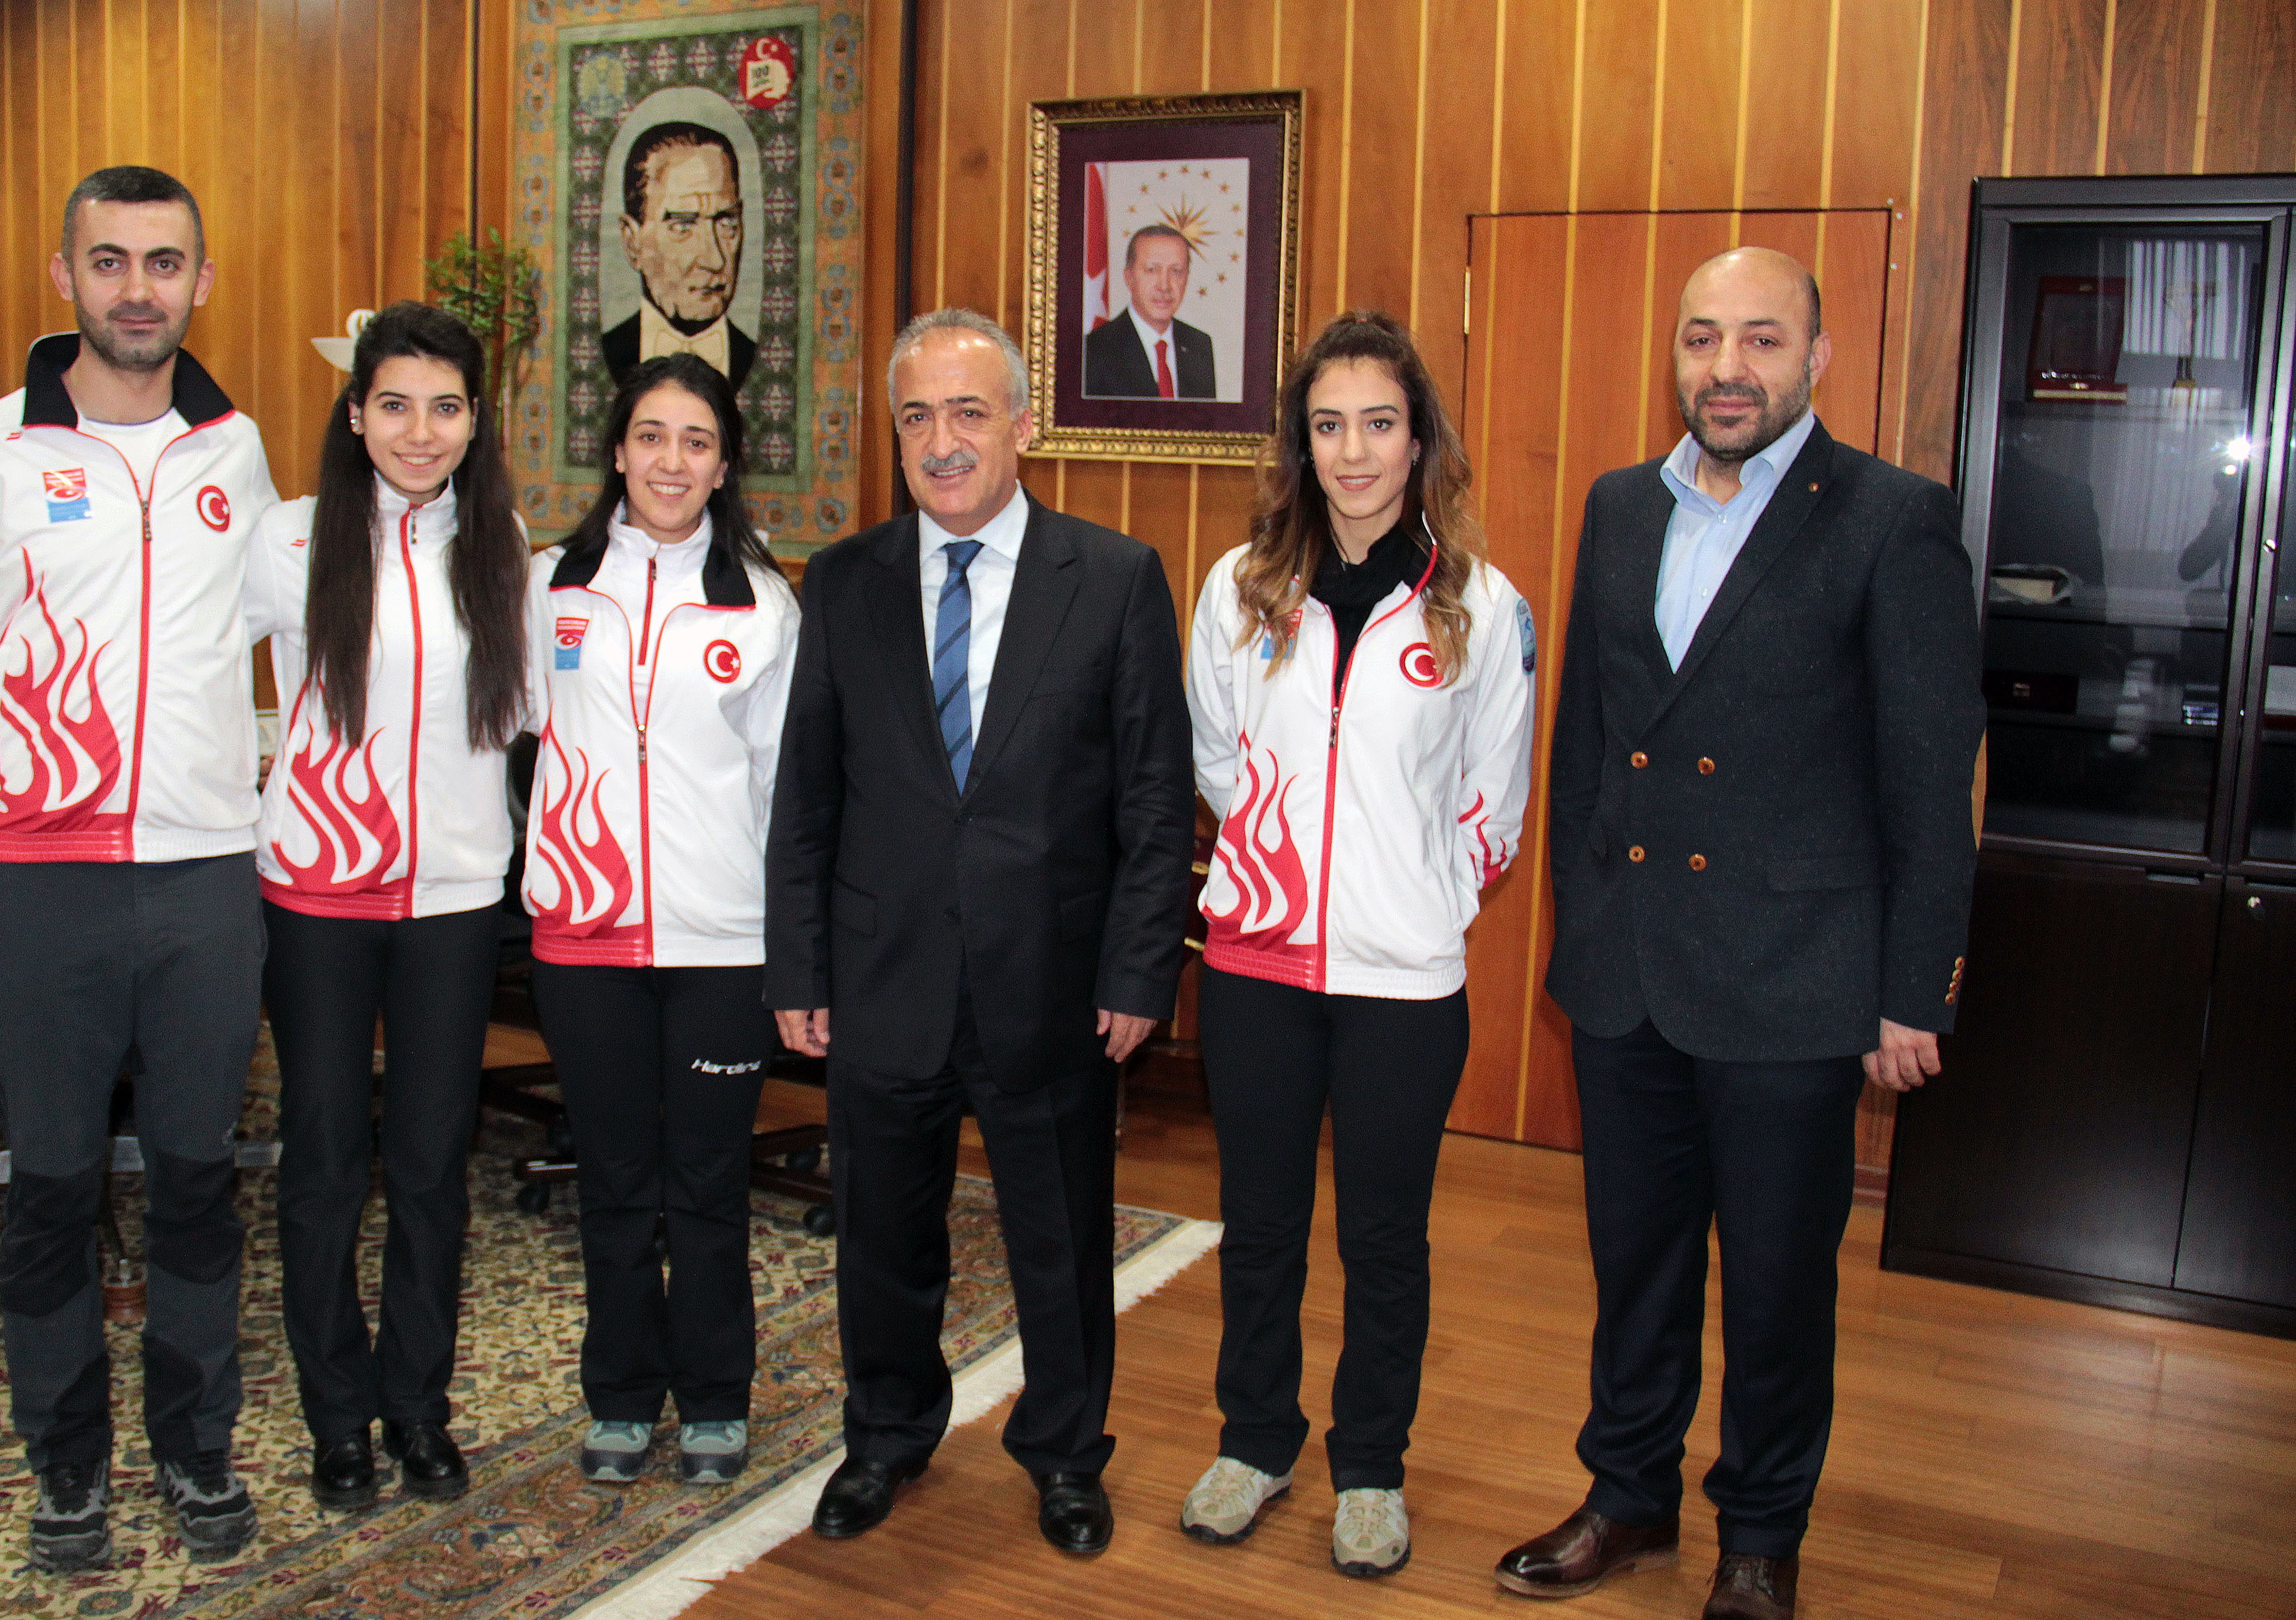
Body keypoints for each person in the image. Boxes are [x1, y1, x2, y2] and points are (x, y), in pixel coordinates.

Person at [1494, 247, 1982, 1620]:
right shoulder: (1616, 505)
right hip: (1631, 971)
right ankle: (1626, 1492)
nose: (1725, 366)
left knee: (1773, 1288)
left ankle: (1759, 1535)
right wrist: (1585, 917)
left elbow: (1926, 781)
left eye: (1758, 339)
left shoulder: (1890, 520)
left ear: (1813, 359)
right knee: (1632, 1266)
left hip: (1794, 979)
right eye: (1701, 337)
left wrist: (1911, 990)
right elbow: (1586, 736)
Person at [0, 165, 278, 1572]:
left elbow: (284, 636)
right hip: (40, 879)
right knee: (50, 1179)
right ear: (64, 278)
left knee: (194, 1175)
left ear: (200, 282)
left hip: (203, 881)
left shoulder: (236, 451)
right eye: (107, 260)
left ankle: (197, 1441)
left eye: (162, 262)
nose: (135, 288)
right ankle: (67, 1459)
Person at [764, 308, 1197, 1555]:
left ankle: (1065, 1454)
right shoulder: (842, 581)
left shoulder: (1112, 579)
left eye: (966, 413)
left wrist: (1134, 970)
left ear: (1020, 425)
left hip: (1052, 987)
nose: (942, 442)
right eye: (916, 417)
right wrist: (797, 960)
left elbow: (1154, 801)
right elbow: (809, 791)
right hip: (879, 980)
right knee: (880, 1239)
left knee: (1057, 1242)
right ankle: (885, 1436)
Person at [1178, 311, 1534, 1577]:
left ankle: (1370, 1467)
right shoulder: (1236, 588)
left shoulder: (1482, 609)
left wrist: (1421, 901)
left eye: (1377, 423)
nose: (1352, 452)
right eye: (1327, 425)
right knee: (1260, 1221)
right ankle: (1253, 1439)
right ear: (1300, 442)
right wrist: (1271, 880)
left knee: (1384, 1236)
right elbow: (1217, 762)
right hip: (1257, 971)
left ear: (1418, 437)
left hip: (1401, 981)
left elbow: (1495, 803)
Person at [243, 302, 530, 1513]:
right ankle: (336, 1418)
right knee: (322, 1160)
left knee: (428, 1162)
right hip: (314, 895)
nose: (421, 431)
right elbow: (202, 687)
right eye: (396, 404)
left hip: (453, 899)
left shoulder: (501, 540)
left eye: (447, 407)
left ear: (475, 421)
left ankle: (416, 1409)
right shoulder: (287, 539)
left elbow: (516, 718)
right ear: (355, 414)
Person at [518, 353, 800, 1488]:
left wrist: (791, 940)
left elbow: (785, 787)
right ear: (618, 451)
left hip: (720, 942)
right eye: (649, 436)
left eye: (694, 441)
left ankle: (718, 1399)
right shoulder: (548, 587)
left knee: (707, 1183)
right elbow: (511, 733)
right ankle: (623, 1398)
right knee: (615, 1181)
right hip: (584, 940)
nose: (669, 461)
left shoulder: (763, 602)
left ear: (723, 463)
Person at [602, 122, 756, 389]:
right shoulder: (607, 355)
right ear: (632, 242)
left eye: (727, 224)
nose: (715, 260)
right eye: (683, 227)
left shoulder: (754, 358)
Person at [1083, 225, 1216, 399]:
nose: (1165, 285)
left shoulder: (1199, 345)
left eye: (1176, 271)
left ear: (1187, 277)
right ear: (1129, 278)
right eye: (1152, 270)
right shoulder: (1096, 350)